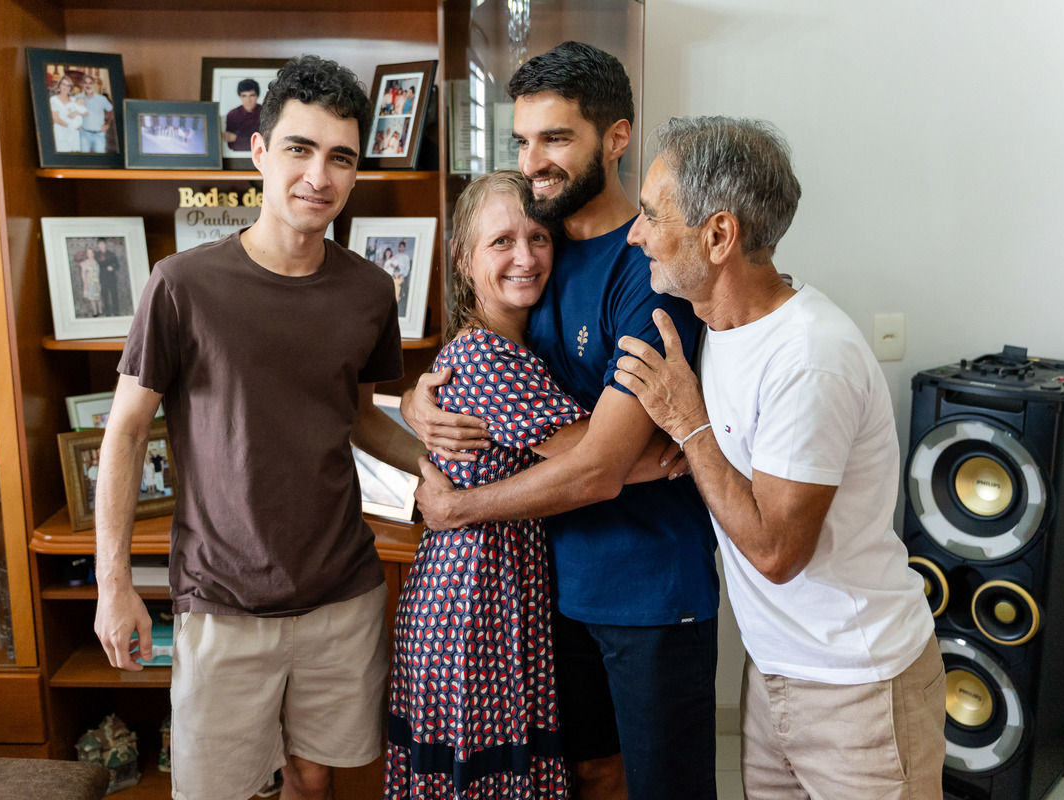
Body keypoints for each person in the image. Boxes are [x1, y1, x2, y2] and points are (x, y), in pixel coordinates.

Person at [93, 54, 425, 800]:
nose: (319, 175)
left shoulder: (372, 290)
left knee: (314, 775)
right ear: (259, 152)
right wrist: (113, 586)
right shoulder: (182, 284)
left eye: (341, 157)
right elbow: (125, 433)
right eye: (300, 149)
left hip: (343, 592)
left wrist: (436, 470)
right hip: (223, 601)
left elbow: (359, 417)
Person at [403, 42, 719, 800]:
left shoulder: (649, 270)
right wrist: (423, 398)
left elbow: (600, 467)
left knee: (661, 786)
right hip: (553, 584)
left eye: (556, 138)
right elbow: (486, 365)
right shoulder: (542, 254)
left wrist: (456, 507)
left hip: (647, 585)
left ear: (616, 138)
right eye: (522, 140)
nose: (533, 160)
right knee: (586, 775)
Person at [615, 115, 945, 799]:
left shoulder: (809, 357)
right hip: (773, 673)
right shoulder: (717, 327)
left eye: (651, 214)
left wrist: (691, 427)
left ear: (719, 236)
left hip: (859, 687)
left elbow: (775, 553)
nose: (635, 234)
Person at [385, 170, 588, 798]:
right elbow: (597, 457)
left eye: (538, 238)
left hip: (493, 589)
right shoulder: (487, 357)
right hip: (477, 602)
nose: (525, 257)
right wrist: (680, 448)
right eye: (501, 241)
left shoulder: (510, 346)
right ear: (462, 259)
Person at [78, 73, 115, 154]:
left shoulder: (102, 99)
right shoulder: (77, 97)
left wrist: (108, 124)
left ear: (94, 85)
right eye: (85, 83)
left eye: (90, 83)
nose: (88, 85)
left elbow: (111, 110)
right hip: (84, 134)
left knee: (100, 158)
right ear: (82, 85)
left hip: (99, 135)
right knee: (83, 158)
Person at [50, 74, 86, 153]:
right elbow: (56, 119)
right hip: (61, 133)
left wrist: (80, 124)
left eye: (68, 85)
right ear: (59, 85)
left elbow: (80, 114)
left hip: (74, 135)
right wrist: (71, 126)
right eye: (63, 84)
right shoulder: (53, 100)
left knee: (74, 157)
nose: (66, 87)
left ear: (70, 88)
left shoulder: (74, 100)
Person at [225, 78, 262, 152]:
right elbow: (230, 143)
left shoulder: (266, 112)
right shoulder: (232, 115)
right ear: (240, 96)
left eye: (252, 95)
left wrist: (237, 138)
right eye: (244, 96)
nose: (248, 100)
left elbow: (265, 142)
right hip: (237, 155)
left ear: (257, 95)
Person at [95, 238, 122, 317]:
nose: (102, 246)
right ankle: (107, 312)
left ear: (106, 244)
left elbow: (117, 266)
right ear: (98, 245)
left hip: (111, 279)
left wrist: (112, 268)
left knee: (114, 295)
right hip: (102, 279)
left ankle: (116, 311)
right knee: (105, 296)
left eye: (103, 244)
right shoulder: (96, 255)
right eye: (100, 244)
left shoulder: (112, 254)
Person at [78, 247, 102, 317]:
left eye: (91, 253)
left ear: (93, 253)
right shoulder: (84, 263)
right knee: (92, 298)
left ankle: (100, 311)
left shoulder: (97, 262)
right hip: (90, 283)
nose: (90, 254)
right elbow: (83, 274)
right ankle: (95, 312)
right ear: (87, 254)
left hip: (97, 283)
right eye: (88, 253)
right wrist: (85, 283)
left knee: (99, 298)